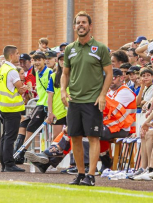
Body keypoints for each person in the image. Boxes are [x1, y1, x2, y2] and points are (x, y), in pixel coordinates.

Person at [61, 11, 112, 186]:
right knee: (74, 137)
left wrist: (102, 94)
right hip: (74, 100)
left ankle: (91, 175)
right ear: (74, 27)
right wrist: (62, 90)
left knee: (93, 137)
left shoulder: (100, 48)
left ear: (90, 26)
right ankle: (80, 173)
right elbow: (65, 73)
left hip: (92, 100)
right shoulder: (70, 49)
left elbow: (109, 73)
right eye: (78, 23)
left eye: (84, 22)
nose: (81, 25)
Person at [0, 45, 27, 172]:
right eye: (17, 53)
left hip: (3, 106)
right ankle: (9, 164)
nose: (19, 56)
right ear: (11, 55)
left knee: (5, 136)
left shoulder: (2, 68)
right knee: (10, 137)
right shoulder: (12, 70)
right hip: (12, 107)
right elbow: (20, 88)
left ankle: (4, 163)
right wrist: (24, 88)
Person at [46, 54, 68, 139]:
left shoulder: (74, 75)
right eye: (61, 60)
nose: (62, 61)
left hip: (71, 110)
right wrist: (50, 113)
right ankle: (56, 152)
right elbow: (50, 96)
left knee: (72, 137)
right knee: (56, 137)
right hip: (58, 111)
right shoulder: (53, 76)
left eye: (64, 59)